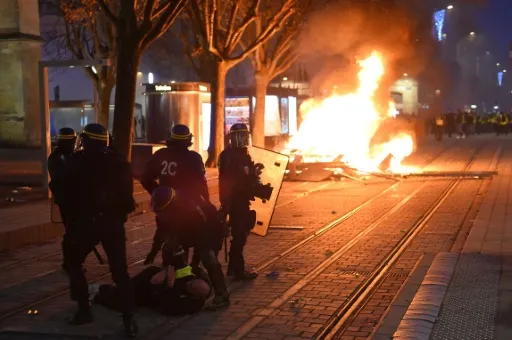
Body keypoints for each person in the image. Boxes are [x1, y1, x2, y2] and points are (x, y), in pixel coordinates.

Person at [56, 123, 137, 338]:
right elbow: (128, 200)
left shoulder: (76, 162)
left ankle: (84, 310)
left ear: (87, 140)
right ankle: (129, 320)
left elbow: (64, 196)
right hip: (112, 224)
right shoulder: (120, 162)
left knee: (73, 262)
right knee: (120, 271)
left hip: (85, 224)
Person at [140, 124, 230, 309]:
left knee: (172, 251)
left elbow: (144, 178)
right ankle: (220, 294)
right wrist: (206, 205)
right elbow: (201, 187)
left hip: (170, 210)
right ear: (189, 140)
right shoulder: (193, 158)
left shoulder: (161, 155)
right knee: (206, 255)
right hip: (193, 211)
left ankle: (173, 288)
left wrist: (159, 193)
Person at [218, 123, 261, 281]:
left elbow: (246, 175)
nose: (243, 138)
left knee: (242, 232)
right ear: (232, 138)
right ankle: (238, 270)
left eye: (245, 135)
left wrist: (255, 175)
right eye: (239, 136)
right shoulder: (228, 155)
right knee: (239, 234)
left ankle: (233, 268)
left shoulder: (244, 154)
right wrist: (226, 202)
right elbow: (226, 180)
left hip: (242, 199)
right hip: (235, 201)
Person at [92, 265, 211, 316]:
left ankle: (100, 293)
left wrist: (169, 286)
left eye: (190, 286)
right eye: (191, 281)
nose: (188, 283)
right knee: (125, 292)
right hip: (153, 275)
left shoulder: (194, 304)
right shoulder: (197, 276)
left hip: (151, 295)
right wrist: (164, 272)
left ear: (195, 295)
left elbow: (169, 309)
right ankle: (101, 290)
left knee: (124, 303)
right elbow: (181, 265)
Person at [48, 127, 77, 272]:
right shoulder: (59, 158)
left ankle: (71, 261)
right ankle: (70, 262)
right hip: (68, 201)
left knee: (73, 232)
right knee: (72, 232)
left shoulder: (62, 156)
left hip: (71, 200)